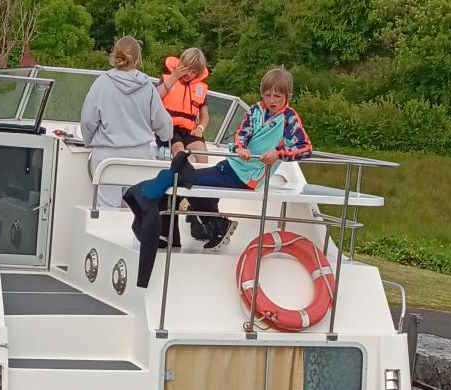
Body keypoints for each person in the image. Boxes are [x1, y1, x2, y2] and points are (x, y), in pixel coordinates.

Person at [124, 67, 312, 288]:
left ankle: (215, 224)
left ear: (287, 96)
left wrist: (279, 154)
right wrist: (240, 147)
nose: (271, 100)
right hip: (231, 166)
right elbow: (242, 134)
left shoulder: (289, 119)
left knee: (185, 179)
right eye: (267, 95)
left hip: (247, 177)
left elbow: (305, 149)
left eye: (277, 96)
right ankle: (168, 232)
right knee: (180, 177)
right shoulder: (256, 110)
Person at [80, 36, 172, 208]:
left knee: (106, 210)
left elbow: (87, 121)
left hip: (107, 160)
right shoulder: (147, 87)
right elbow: (164, 125)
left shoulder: (102, 83)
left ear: (115, 55)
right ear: (138, 59)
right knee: (137, 212)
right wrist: (166, 137)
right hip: (140, 159)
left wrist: (88, 141)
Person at [157, 48, 210, 163]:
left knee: (202, 155)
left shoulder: (200, 89)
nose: (189, 74)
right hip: (169, 129)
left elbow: (205, 116)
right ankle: (178, 180)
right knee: (179, 152)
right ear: (181, 64)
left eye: (194, 72)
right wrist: (174, 77)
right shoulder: (167, 79)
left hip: (189, 131)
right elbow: (155, 97)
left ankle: (197, 181)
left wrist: (200, 129)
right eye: (187, 69)